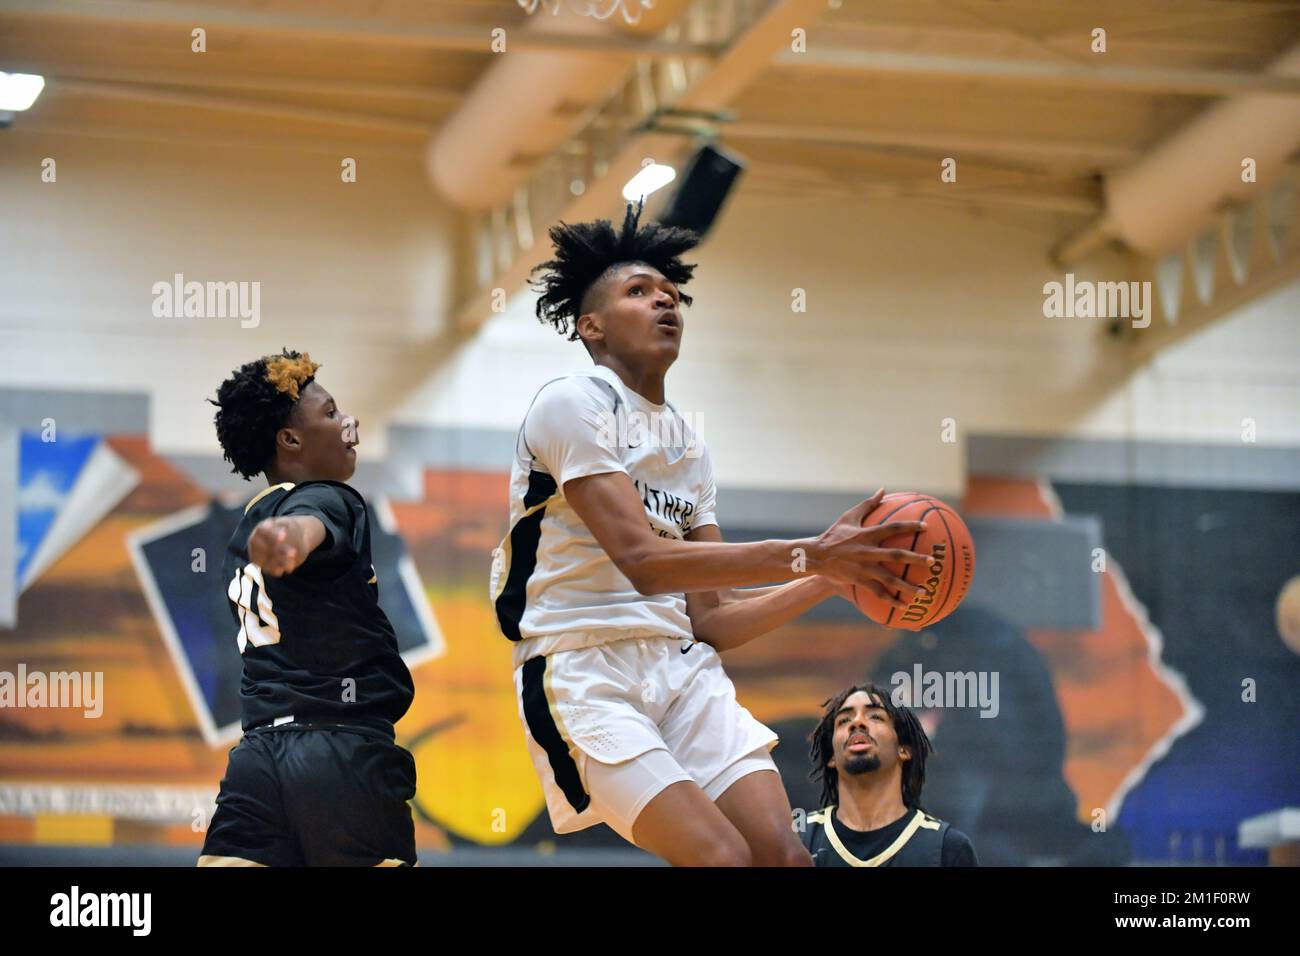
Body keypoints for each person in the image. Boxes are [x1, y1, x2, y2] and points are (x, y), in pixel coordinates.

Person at [491, 199, 936, 865]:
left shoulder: (689, 448)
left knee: (785, 858)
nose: (665, 303)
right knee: (722, 857)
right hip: (583, 669)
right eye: (638, 293)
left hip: (682, 668)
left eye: (672, 295)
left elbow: (714, 624)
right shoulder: (572, 402)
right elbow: (642, 562)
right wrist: (808, 553)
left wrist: (826, 578)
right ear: (592, 326)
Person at [198, 348, 417, 866]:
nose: (350, 425)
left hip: (257, 760)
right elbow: (308, 523)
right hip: (341, 753)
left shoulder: (246, 525)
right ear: (291, 439)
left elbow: (294, 525)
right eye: (332, 413)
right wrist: (291, 539)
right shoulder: (331, 498)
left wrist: (282, 535)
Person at [802, 683, 978, 866]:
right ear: (831, 757)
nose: (857, 722)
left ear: (904, 750)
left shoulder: (947, 849)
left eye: (875, 716)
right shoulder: (797, 840)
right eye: (844, 720)